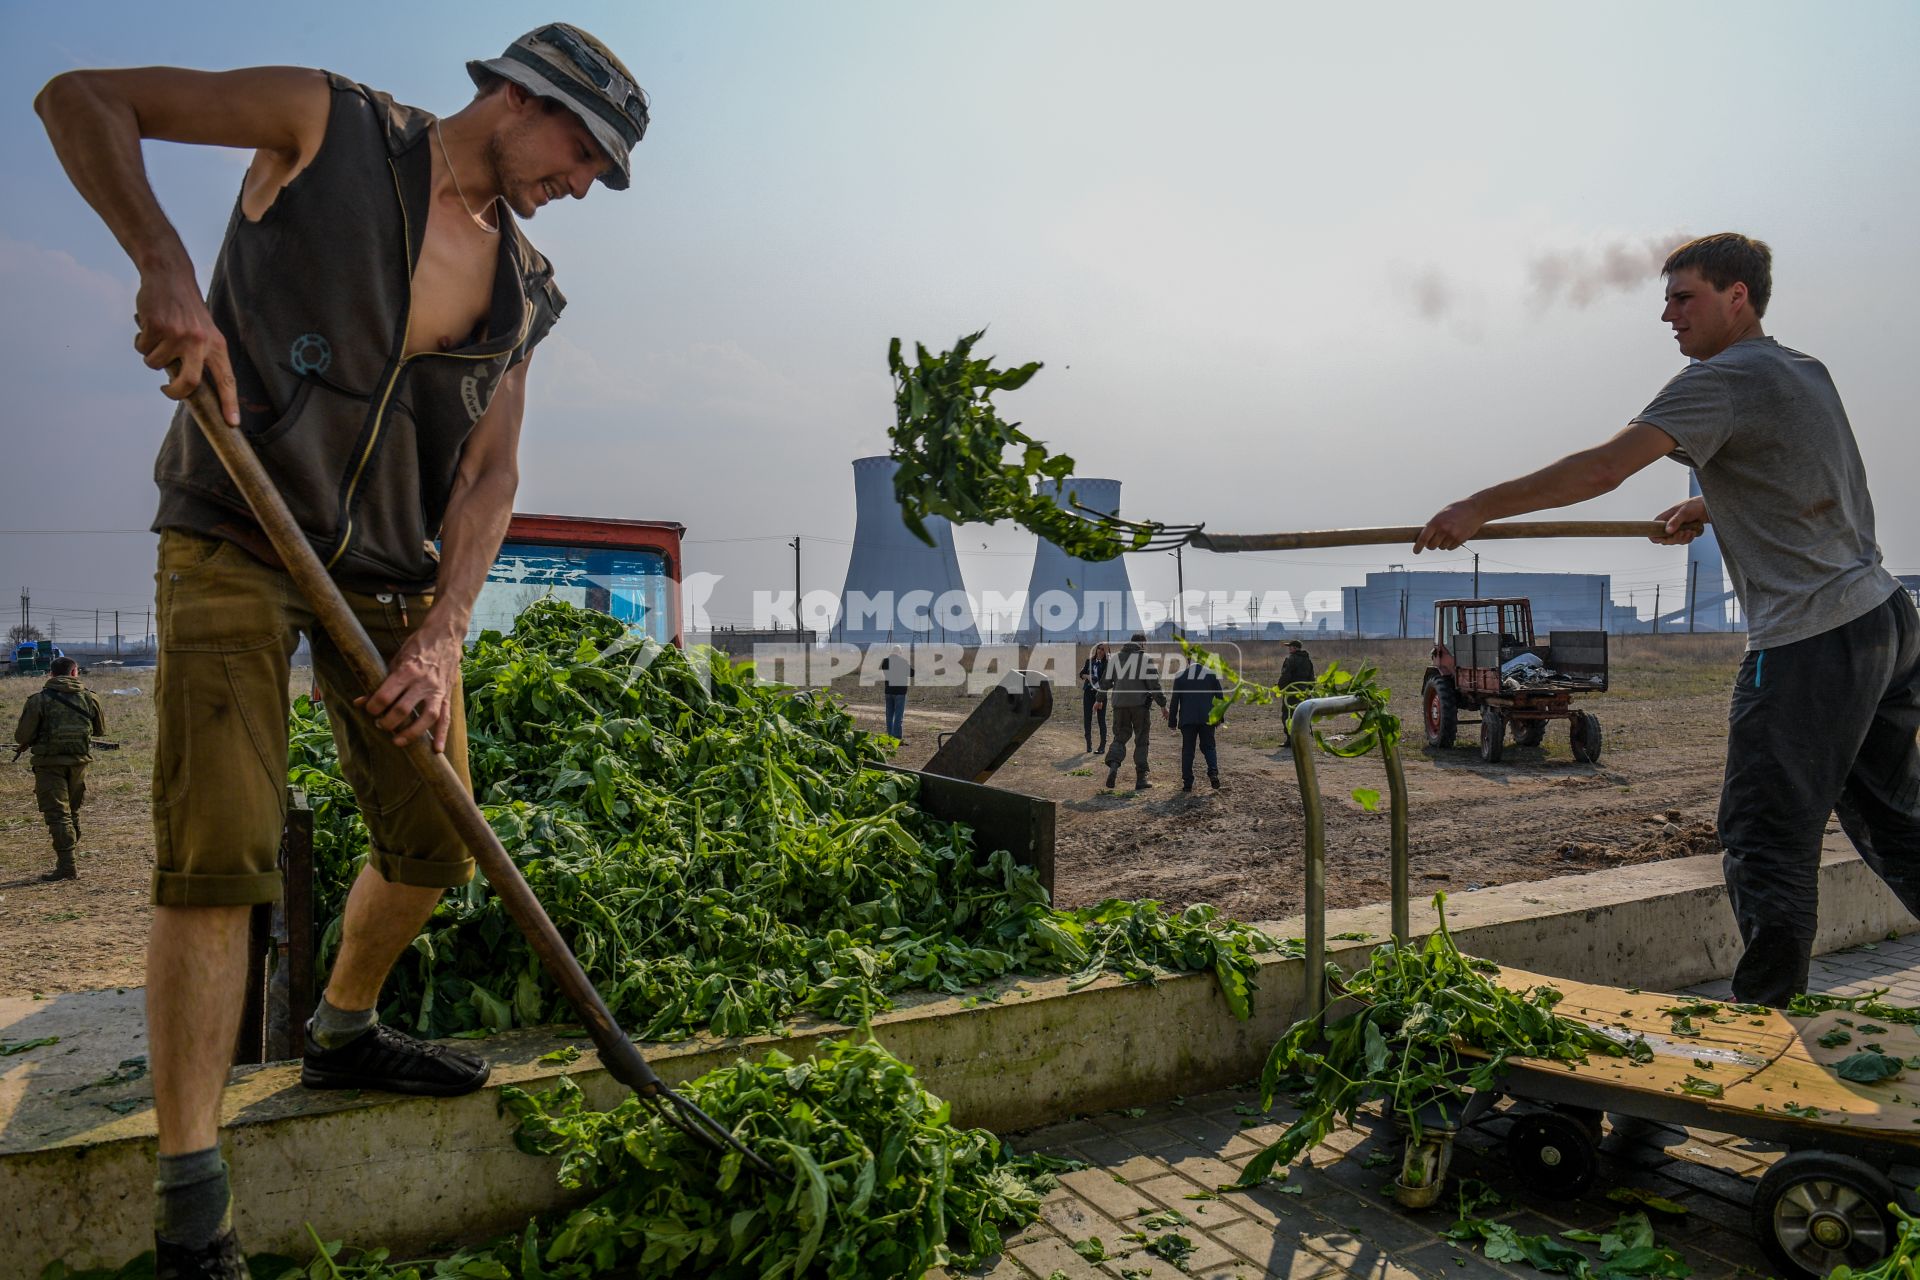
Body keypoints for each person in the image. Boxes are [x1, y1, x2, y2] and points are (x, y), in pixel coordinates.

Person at [36, 24, 646, 1274]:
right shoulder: (331, 126)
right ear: (520, 99)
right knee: (221, 856)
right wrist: (163, 267)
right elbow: (79, 96)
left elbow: (489, 474)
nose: (581, 183)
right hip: (235, 524)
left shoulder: (525, 289)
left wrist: (442, 633)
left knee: (432, 840)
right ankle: (192, 1203)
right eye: (583, 151)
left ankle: (343, 1024)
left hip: (390, 579)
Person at [1415, 232, 1918, 1009]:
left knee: (1762, 839)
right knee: (1898, 824)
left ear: (1736, 297)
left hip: (1809, 639)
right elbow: (1810, 474)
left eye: (1684, 297)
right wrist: (1711, 502)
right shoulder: (1802, 370)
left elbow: (1602, 468)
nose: (1668, 315)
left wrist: (1478, 507)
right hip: (1882, 619)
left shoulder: (1716, 381)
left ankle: (1765, 1027)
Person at [13, 655, 106, 881]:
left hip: (49, 765)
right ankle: (68, 856)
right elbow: (100, 730)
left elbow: (22, 736)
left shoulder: (38, 700)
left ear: (51, 674)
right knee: (71, 813)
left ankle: (67, 866)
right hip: (79, 764)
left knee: (58, 815)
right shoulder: (90, 698)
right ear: (75, 673)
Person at [1101, 632, 1167, 790]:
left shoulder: (1115, 658)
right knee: (1141, 740)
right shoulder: (1145, 659)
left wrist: (1098, 700)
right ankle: (1141, 778)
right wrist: (1163, 705)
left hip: (1119, 706)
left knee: (1120, 737)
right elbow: (1154, 685)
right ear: (1142, 643)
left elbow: (1104, 683)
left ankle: (1114, 765)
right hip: (1140, 707)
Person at [1167, 655, 1224, 792]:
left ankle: (1187, 783)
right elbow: (1220, 698)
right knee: (1209, 746)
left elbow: (1175, 701)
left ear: (1187, 661)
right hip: (1207, 719)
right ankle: (1213, 772)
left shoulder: (1180, 676)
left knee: (1188, 750)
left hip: (1188, 720)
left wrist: (1172, 722)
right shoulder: (1211, 675)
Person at [1276, 639, 1315, 748]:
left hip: (1291, 692)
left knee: (1288, 714)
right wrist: (1309, 689)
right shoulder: (1308, 660)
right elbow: (1312, 677)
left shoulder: (1291, 659)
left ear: (1295, 648)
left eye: (1290, 647)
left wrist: (1280, 687)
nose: (1289, 648)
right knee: (1304, 714)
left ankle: (1290, 739)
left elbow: (1286, 675)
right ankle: (1303, 739)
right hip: (1304, 692)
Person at [1078, 642, 1110, 754]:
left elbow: (1108, 681)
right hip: (1088, 693)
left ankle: (1102, 746)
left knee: (1101, 720)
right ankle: (1088, 744)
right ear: (1096, 650)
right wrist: (1088, 676)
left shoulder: (1107, 664)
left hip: (1100, 694)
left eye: (1103, 650)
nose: (1100, 651)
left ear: (1106, 652)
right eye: (1099, 649)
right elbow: (1081, 674)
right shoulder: (1089, 661)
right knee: (1087, 718)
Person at [880, 645, 913, 739]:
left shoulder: (885, 661)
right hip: (900, 691)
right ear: (900, 652)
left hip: (889, 690)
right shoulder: (903, 661)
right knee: (898, 715)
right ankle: (897, 736)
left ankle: (890, 735)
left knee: (889, 714)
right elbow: (912, 673)